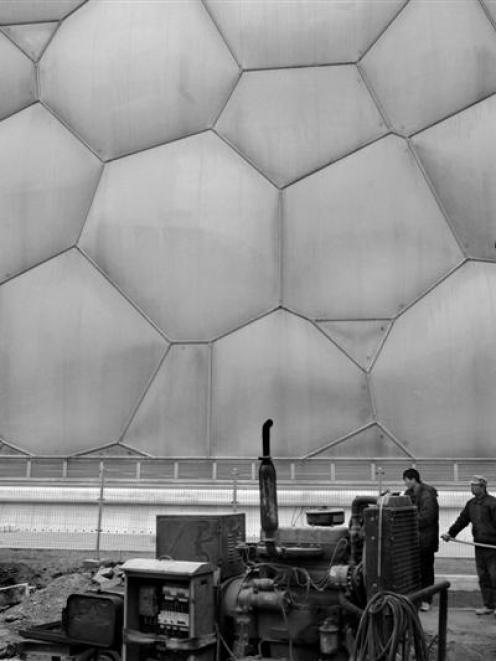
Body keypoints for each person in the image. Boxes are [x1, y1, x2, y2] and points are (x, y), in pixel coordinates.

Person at [441, 475, 496, 615]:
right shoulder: (471, 504)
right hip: (479, 546)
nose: (471, 488)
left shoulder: (492, 503)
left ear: (482, 487)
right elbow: (462, 521)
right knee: (484, 577)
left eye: (474, 485)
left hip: (493, 548)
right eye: (471, 485)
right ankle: (489, 605)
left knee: (495, 576)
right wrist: (450, 533)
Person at [403, 468, 439, 612]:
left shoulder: (427, 495)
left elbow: (427, 518)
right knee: (415, 571)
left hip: (425, 541)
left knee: (426, 571)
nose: (405, 484)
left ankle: (426, 600)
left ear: (412, 479)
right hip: (413, 541)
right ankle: (417, 598)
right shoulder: (410, 494)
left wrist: (407, 522)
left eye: (405, 480)